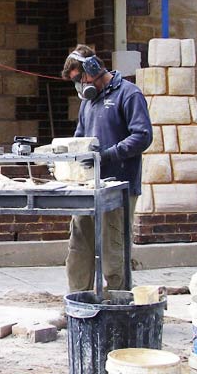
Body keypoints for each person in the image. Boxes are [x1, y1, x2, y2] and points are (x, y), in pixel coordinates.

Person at [61, 44, 152, 293]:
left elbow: (142, 136)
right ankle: (78, 301)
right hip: (90, 187)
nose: (79, 85)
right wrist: (67, 160)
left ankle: (118, 305)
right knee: (79, 247)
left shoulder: (128, 94)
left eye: (79, 78)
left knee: (114, 250)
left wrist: (107, 155)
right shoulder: (88, 103)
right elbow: (79, 139)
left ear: (92, 67)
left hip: (119, 187)